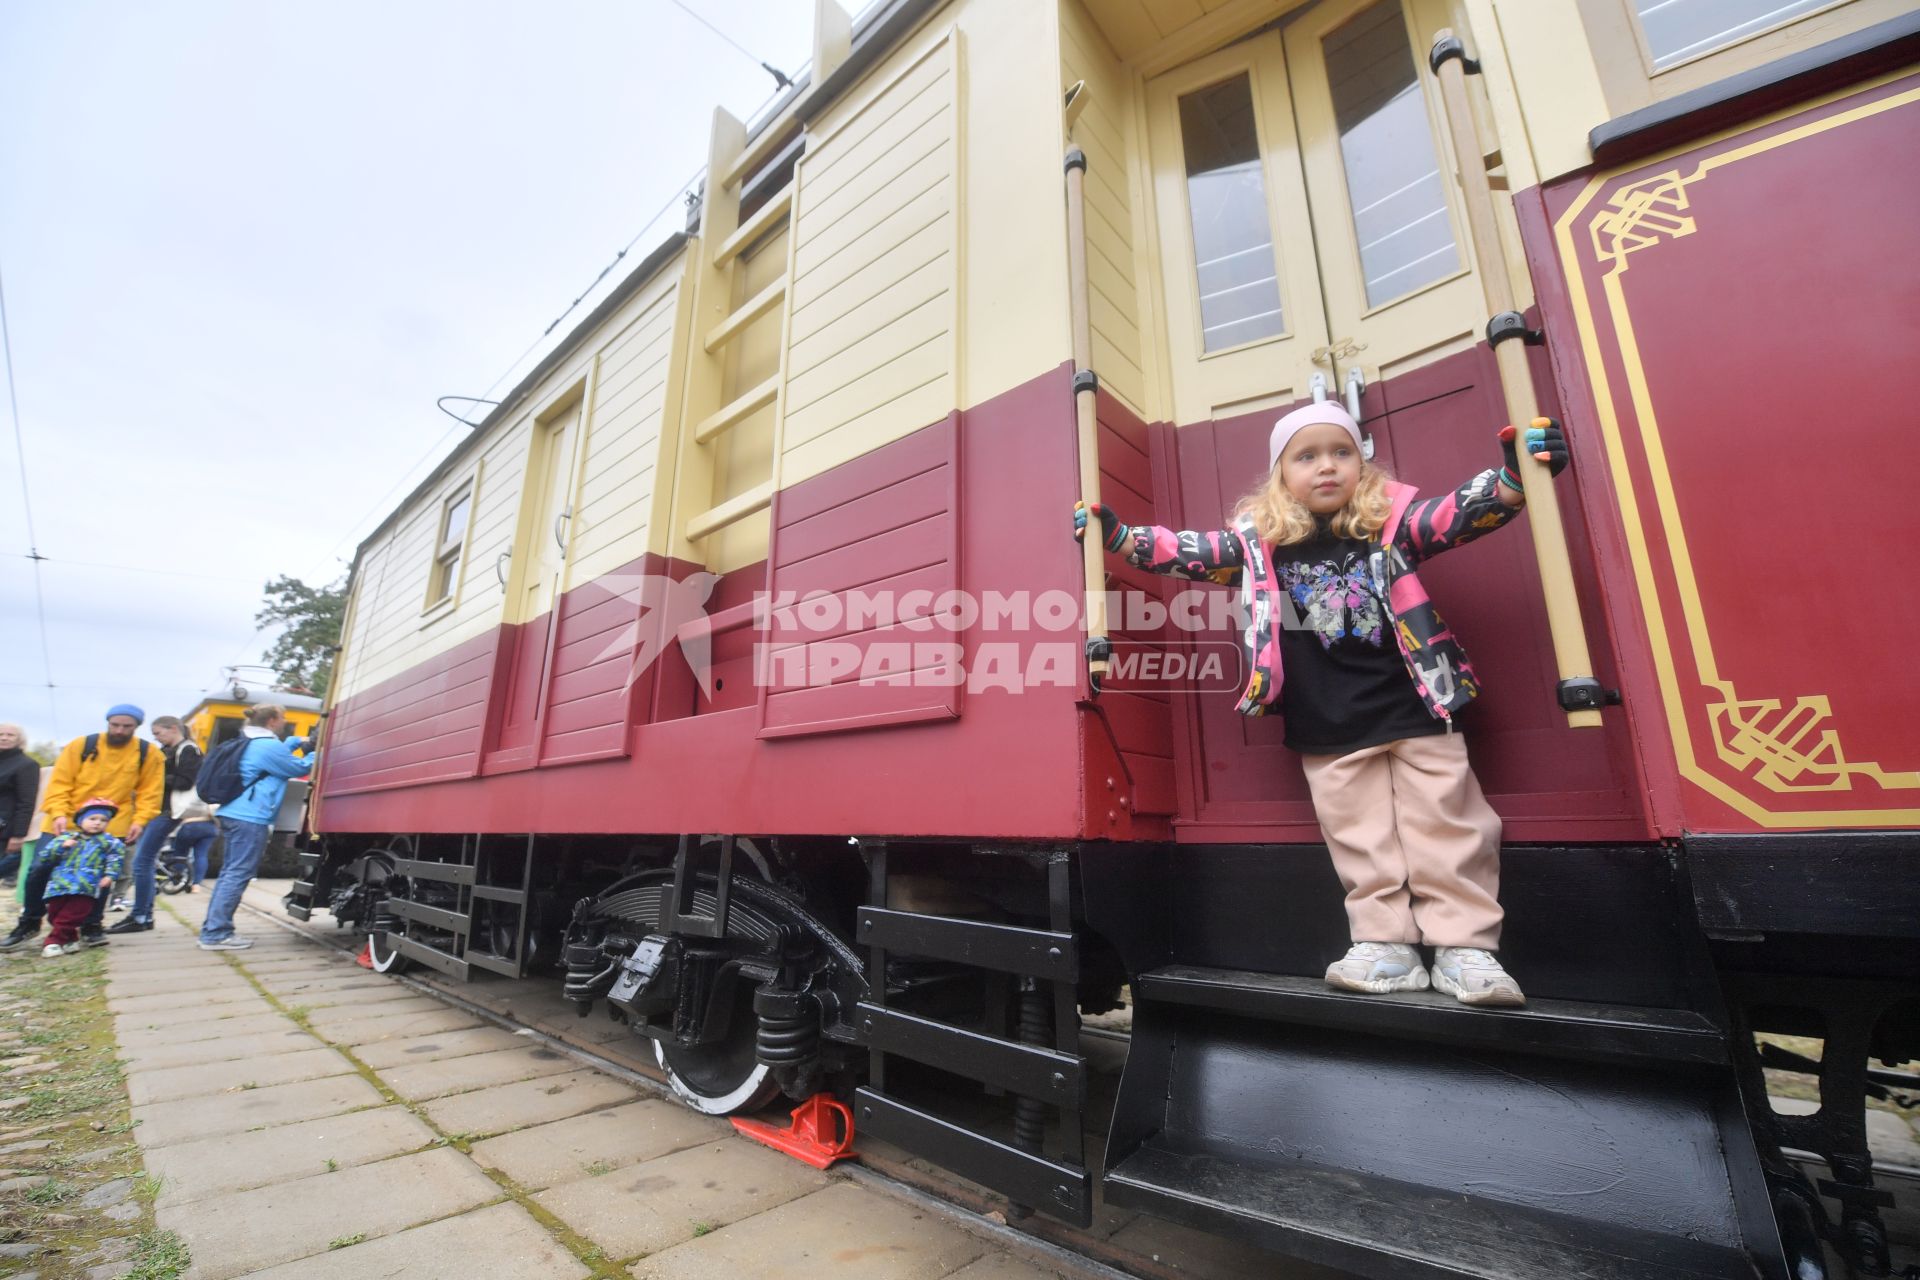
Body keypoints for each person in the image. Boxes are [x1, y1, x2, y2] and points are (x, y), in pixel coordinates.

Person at [1075, 403, 1569, 1007]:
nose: (1326, 467)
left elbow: (1453, 515)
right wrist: (1123, 537)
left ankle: (1465, 947)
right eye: (1306, 457)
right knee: (1360, 837)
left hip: (1417, 702)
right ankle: (1386, 944)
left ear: (1362, 465)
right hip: (1327, 718)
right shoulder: (1261, 547)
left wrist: (1514, 478)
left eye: (1341, 453)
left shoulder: (1391, 526)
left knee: (1449, 824)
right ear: (1280, 474)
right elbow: (1193, 550)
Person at [0, 704, 164, 951]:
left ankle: (91, 924)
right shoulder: (82, 746)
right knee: (38, 868)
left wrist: (140, 821)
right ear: (107, 723)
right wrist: (57, 812)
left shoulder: (147, 753)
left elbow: (150, 792)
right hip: (65, 820)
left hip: (112, 822)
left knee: (100, 875)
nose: (119, 730)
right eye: (115, 725)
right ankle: (30, 921)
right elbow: (60, 782)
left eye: (126, 727)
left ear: (136, 727)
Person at [200, 704, 314, 951]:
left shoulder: (250, 741)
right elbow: (298, 768)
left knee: (230, 872)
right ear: (273, 720)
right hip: (250, 817)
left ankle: (214, 929)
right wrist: (319, 752)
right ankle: (216, 934)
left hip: (234, 813)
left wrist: (295, 742)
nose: (284, 722)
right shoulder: (266, 746)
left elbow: (275, 758)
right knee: (238, 873)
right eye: (282, 718)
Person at [107, 715, 203, 934]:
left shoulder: (189, 750)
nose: (157, 738)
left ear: (172, 729)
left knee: (142, 862)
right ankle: (144, 914)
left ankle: (140, 915)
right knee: (145, 862)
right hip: (156, 810)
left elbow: (186, 781)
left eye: (158, 733)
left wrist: (154, 777)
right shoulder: (167, 749)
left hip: (168, 810)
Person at [38, 798, 126, 956]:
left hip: (86, 885)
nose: (97, 823)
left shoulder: (109, 842)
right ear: (80, 820)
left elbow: (115, 860)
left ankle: (53, 941)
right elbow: (45, 857)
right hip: (60, 885)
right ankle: (71, 939)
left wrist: (110, 876)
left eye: (103, 820)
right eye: (92, 819)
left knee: (73, 914)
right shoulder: (66, 838)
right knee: (54, 915)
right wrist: (61, 847)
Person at [0, 722, 40, 886]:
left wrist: (18, 835)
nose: (4, 738)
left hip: (5, 829)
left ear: (19, 739)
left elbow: (26, 802)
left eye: (10, 735)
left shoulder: (27, 765)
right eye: (1, 734)